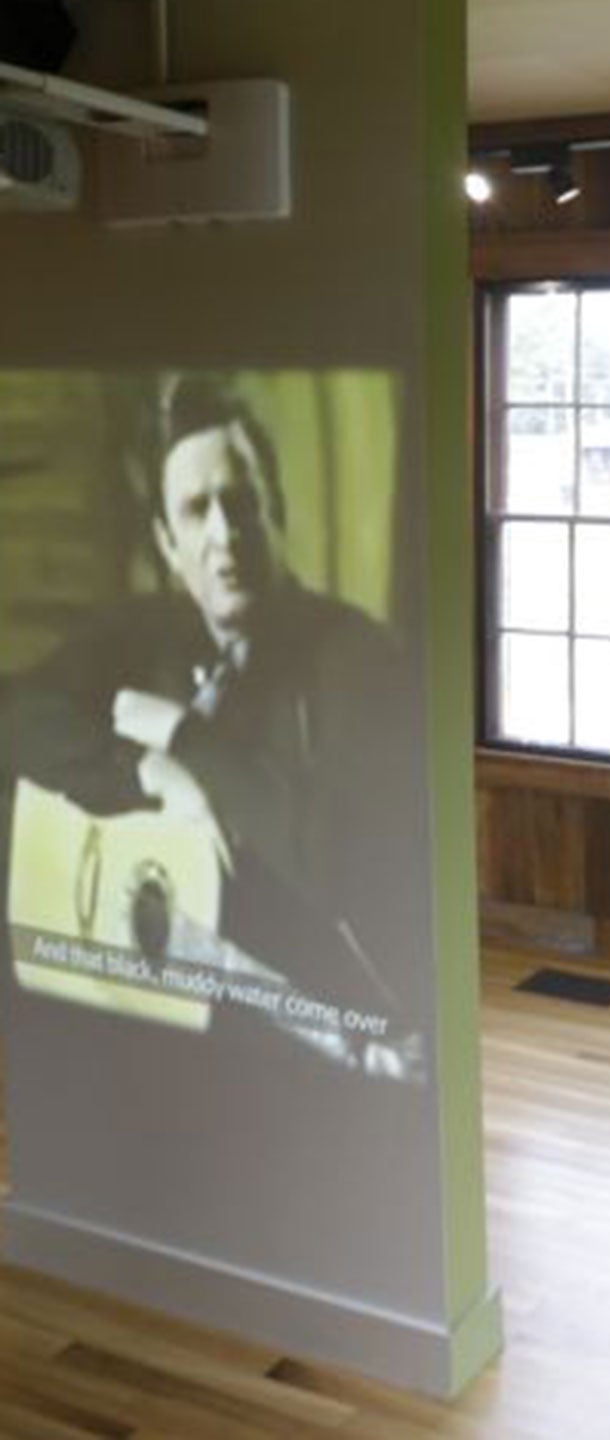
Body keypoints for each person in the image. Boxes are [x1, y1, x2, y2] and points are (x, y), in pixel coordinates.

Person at [0, 376, 418, 1076]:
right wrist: (143, 769)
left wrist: (190, 745)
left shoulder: (358, 658)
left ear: (275, 510)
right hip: (159, 1015)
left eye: (241, 501)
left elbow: (325, 864)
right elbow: (16, 717)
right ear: (168, 544)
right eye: (197, 511)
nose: (224, 533)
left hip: (304, 1044)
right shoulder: (142, 631)